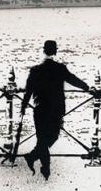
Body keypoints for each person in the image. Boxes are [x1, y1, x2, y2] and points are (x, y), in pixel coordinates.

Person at [20, 40, 94, 180]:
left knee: (42, 139)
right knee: (51, 137)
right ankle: (45, 169)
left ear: (44, 51)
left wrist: (23, 106)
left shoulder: (35, 70)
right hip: (56, 110)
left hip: (40, 110)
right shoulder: (60, 69)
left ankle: (33, 158)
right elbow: (73, 80)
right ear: (55, 51)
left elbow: (28, 91)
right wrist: (87, 88)